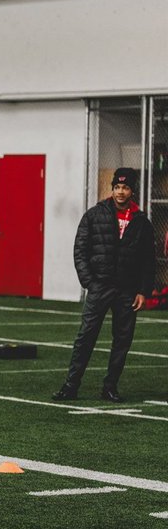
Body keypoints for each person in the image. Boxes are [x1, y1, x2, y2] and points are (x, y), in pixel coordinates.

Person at [53, 168, 155, 403]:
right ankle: (71, 386)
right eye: (117, 187)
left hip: (127, 290)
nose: (121, 192)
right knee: (86, 336)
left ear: (132, 191)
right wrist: (89, 281)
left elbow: (148, 260)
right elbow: (80, 250)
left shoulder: (142, 222)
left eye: (126, 187)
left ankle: (110, 387)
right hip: (100, 286)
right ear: (112, 189)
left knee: (122, 340)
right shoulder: (95, 214)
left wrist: (143, 291)